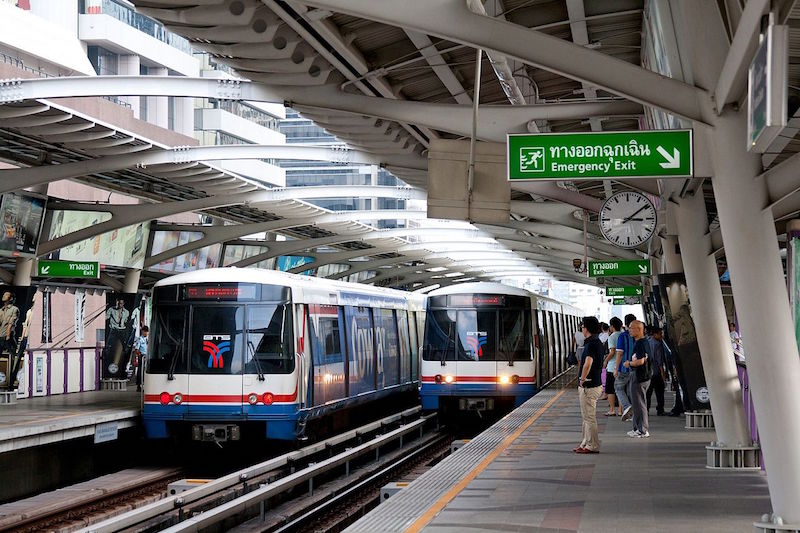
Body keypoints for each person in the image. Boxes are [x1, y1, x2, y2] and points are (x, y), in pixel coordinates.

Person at [574, 316, 604, 454]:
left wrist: (582, 379)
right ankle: (585, 442)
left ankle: (592, 445)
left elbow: (588, 363)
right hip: (593, 384)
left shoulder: (592, 344)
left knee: (589, 417)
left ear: (587, 328)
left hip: (589, 386)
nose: (581, 329)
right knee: (586, 417)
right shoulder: (594, 342)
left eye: (583, 326)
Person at [624, 320, 651, 438]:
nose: (629, 330)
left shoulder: (640, 343)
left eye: (631, 328)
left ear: (639, 329)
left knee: (639, 404)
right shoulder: (643, 342)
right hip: (642, 376)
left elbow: (640, 361)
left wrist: (628, 363)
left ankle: (642, 430)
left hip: (640, 376)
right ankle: (637, 428)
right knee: (636, 403)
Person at [614, 314, 637, 421]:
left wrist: (616, 369)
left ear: (625, 324)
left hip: (624, 369)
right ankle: (633, 415)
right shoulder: (639, 336)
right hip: (636, 369)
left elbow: (619, 354)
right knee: (630, 391)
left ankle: (627, 406)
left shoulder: (622, 336)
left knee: (618, 388)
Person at [603, 317, 623, 416]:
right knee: (620, 389)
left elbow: (613, 351)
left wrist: (606, 360)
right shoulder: (624, 335)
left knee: (610, 389)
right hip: (622, 367)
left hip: (612, 367)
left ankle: (612, 410)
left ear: (611, 326)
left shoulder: (612, 337)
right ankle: (620, 410)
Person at [646, 326, 668, 415]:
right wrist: (663, 374)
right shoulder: (658, 344)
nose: (661, 336)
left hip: (648, 371)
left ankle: (646, 409)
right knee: (659, 392)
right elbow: (659, 361)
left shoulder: (647, 341)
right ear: (655, 334)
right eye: (660, 334)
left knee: (648, 392)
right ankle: (660, 409)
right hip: (656, 372)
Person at [0, 292, 19, 371]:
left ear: (11, 298)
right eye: (3, 294)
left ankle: (12, 377)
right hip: (0, 336)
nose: (3, 295)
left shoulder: (14, 309)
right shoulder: (1, 310)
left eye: (6, 294)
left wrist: (8, 336)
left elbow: (11, 323)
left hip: (8, 337)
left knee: (13, 356)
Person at [132, 326, 149, 392]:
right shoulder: (140, 339)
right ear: (142, 331)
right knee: (140, 371)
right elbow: (137, 349)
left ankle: (146, 385)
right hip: (142, 357)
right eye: (145, 332)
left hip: (148, 357)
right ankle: (139, 385)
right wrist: (139, 355)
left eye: (147, 332)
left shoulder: (149, 339)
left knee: (146, 371)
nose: (146, 333)